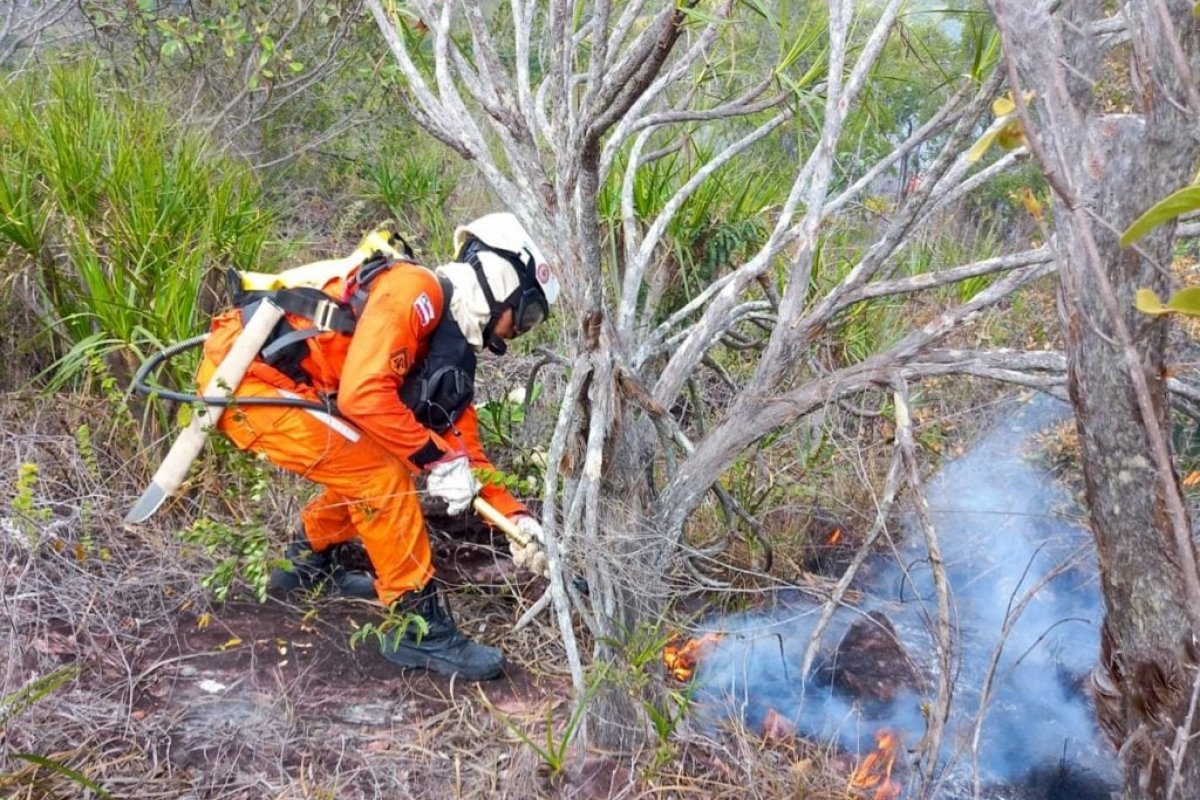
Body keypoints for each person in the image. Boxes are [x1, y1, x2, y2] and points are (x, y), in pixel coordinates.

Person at [195, 212, 558, 681]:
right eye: (527, 313)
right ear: (501, 277)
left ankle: (306, 564)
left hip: (285, 386)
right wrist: (434, 459)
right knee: (381, 473)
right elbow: (362, 395)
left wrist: (519, 521)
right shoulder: (415, 292)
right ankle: (417, 627)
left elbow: (467, 451)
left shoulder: (449, 347)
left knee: (387, 463)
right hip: (248, 380)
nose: (518, 330)